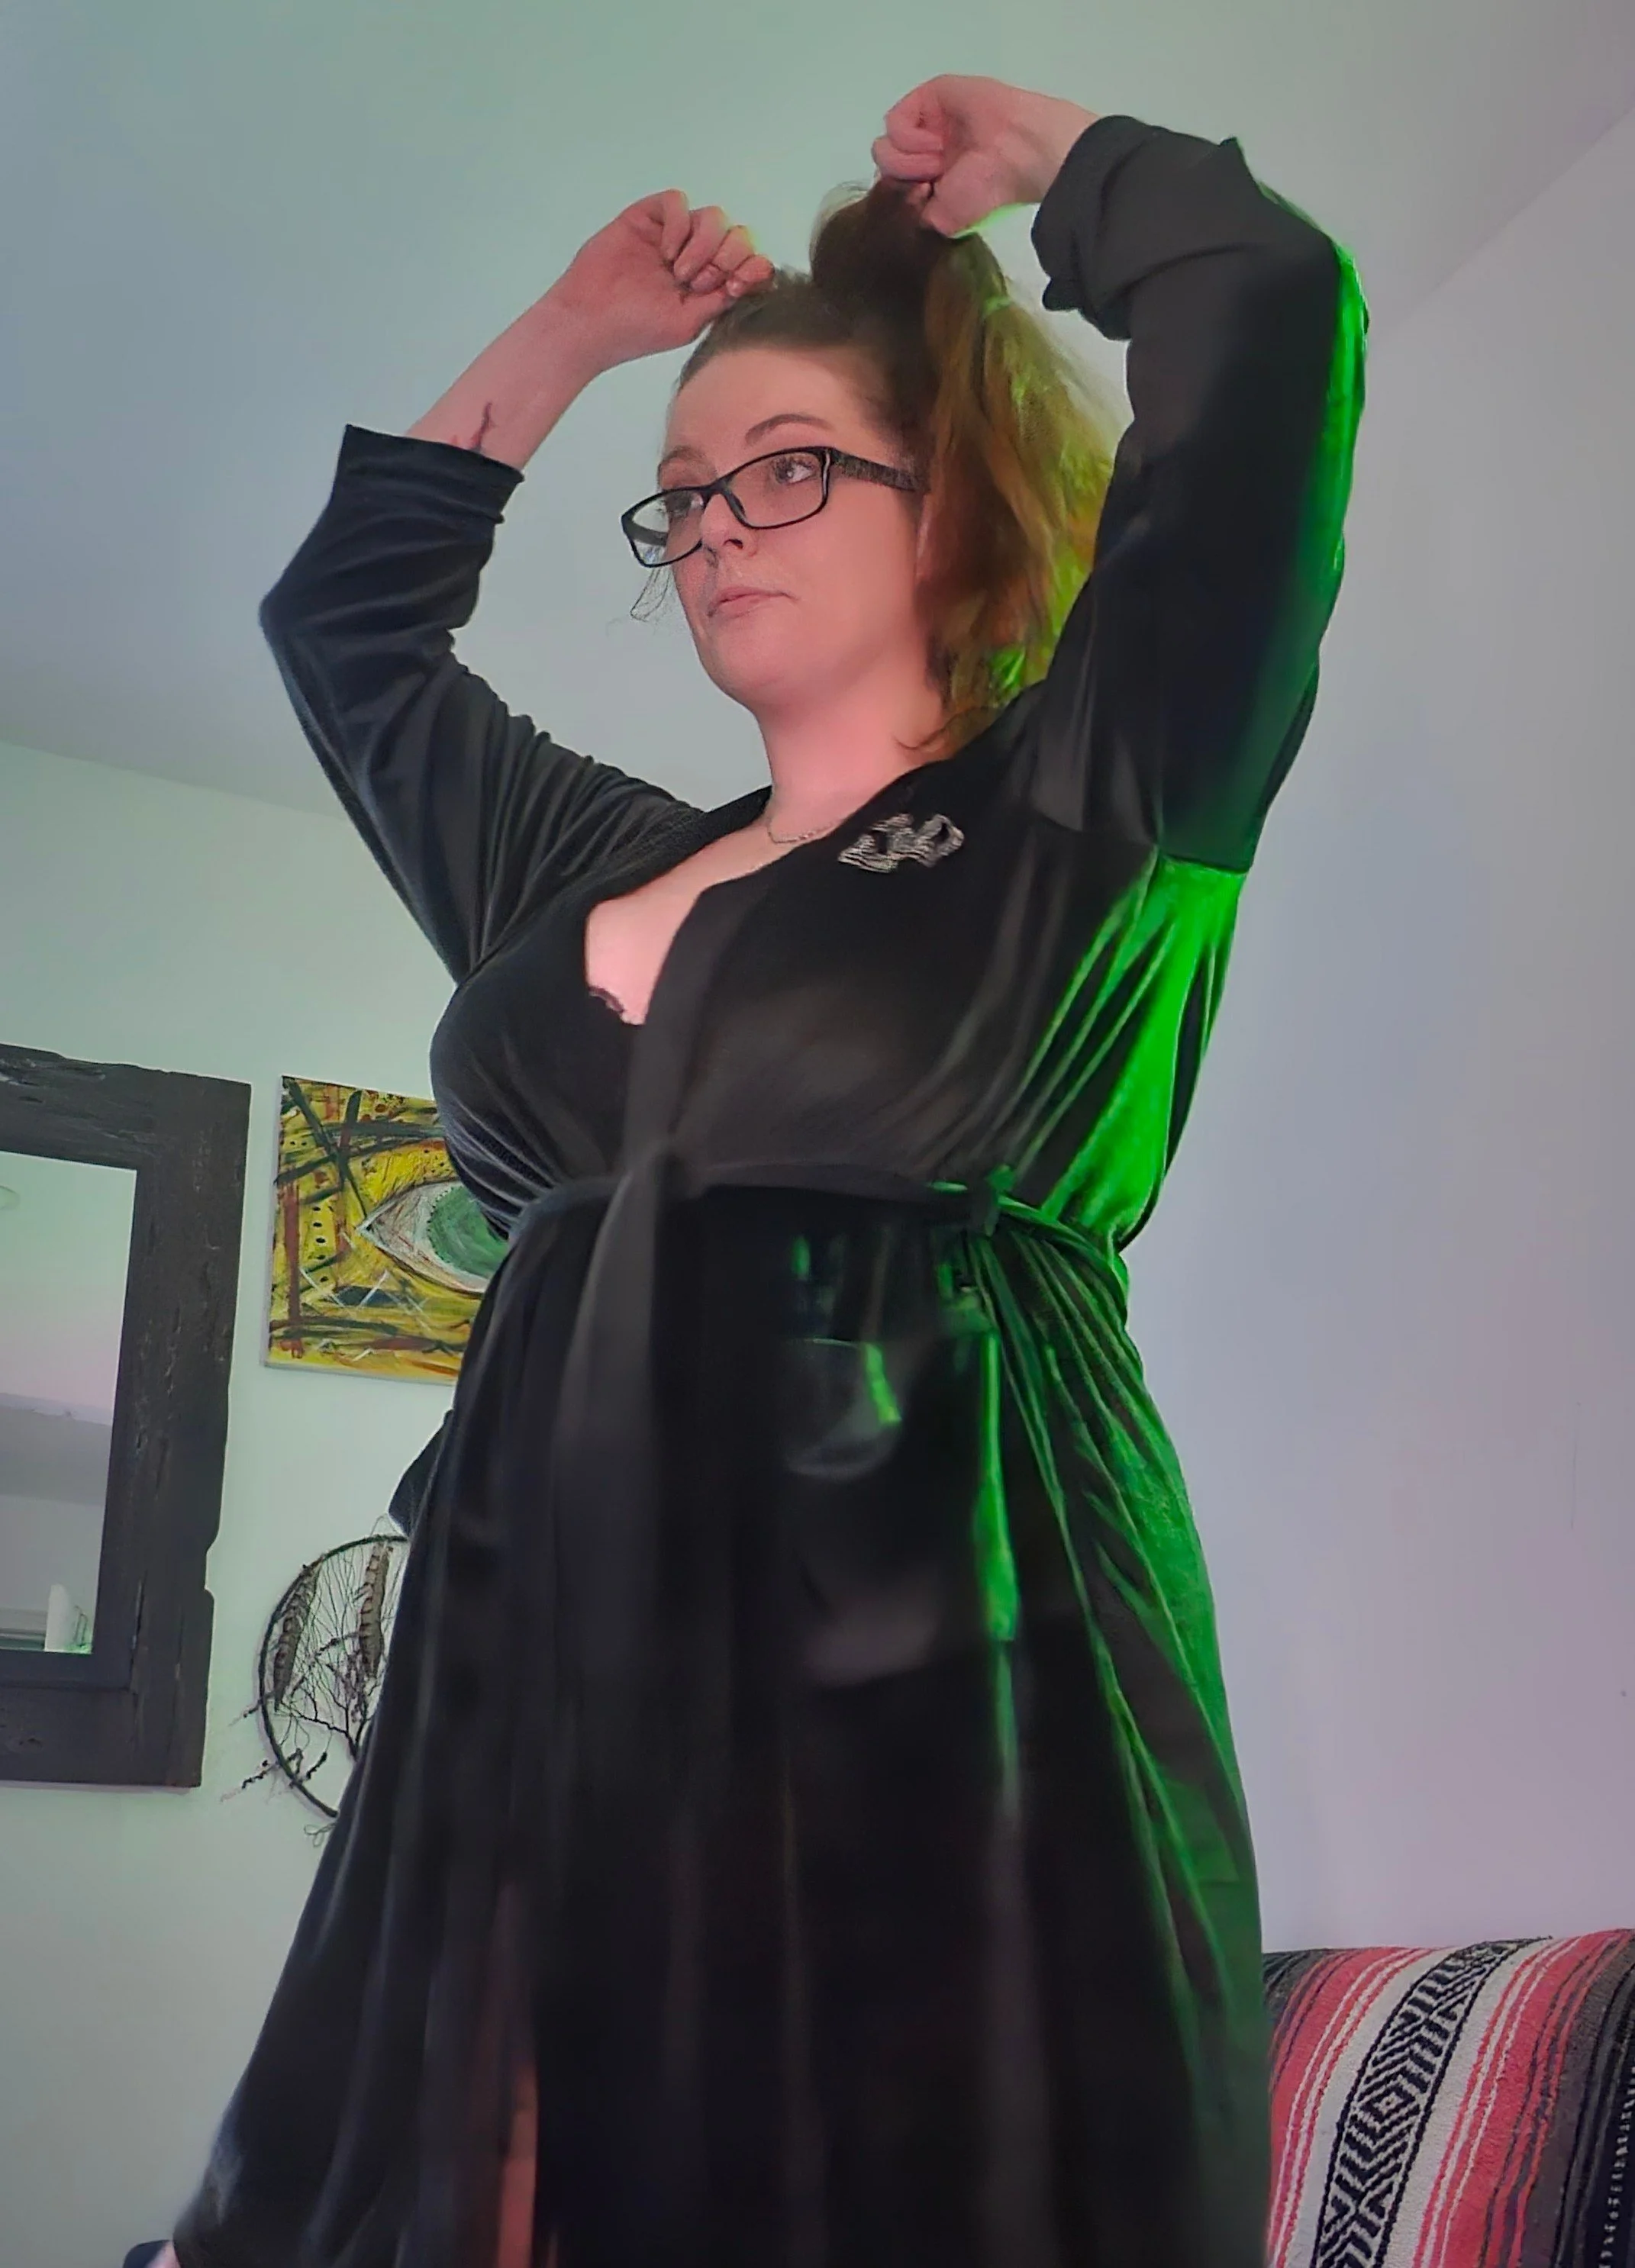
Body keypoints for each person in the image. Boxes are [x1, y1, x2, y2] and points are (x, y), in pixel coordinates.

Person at [164, 70, 1365, 2268]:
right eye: (683, 497)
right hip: (529, 1657)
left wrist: (1046, 164)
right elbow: (347, 632)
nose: (715, 524)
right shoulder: (580, 860)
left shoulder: (1097, 793)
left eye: (785, 466)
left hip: (938, 1652)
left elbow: (1270, 304)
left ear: (950, 493)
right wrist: (574, 325)